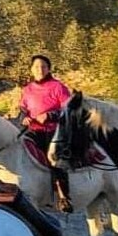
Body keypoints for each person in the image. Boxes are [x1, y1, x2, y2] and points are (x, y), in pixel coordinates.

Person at [17, 54, 74, 213]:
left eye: (43, 66)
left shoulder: (58, 87)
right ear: (31, 69)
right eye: (36, 67)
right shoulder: (27, 89)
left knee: (55, 160)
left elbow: (69, 109)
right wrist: (25, 118)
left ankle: (63, 196)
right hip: (34, 131)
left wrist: (50, 115)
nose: (40, 69)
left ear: (49, 69)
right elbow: (23, 109)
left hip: (54, 131)